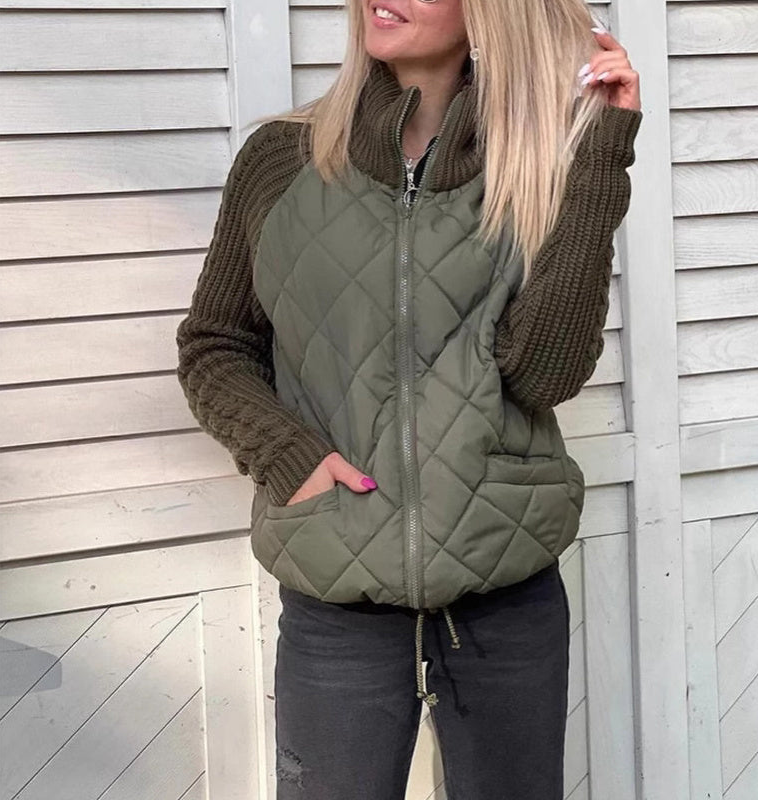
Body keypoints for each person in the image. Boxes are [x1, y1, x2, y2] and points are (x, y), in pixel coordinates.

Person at [176, 0, 642, 795]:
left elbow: (544, 376)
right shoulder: (281, 160)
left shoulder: (535, 166)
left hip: (506, 599)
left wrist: (599, 158)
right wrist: (291, 458)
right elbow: (215, 345)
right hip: (338, 604)